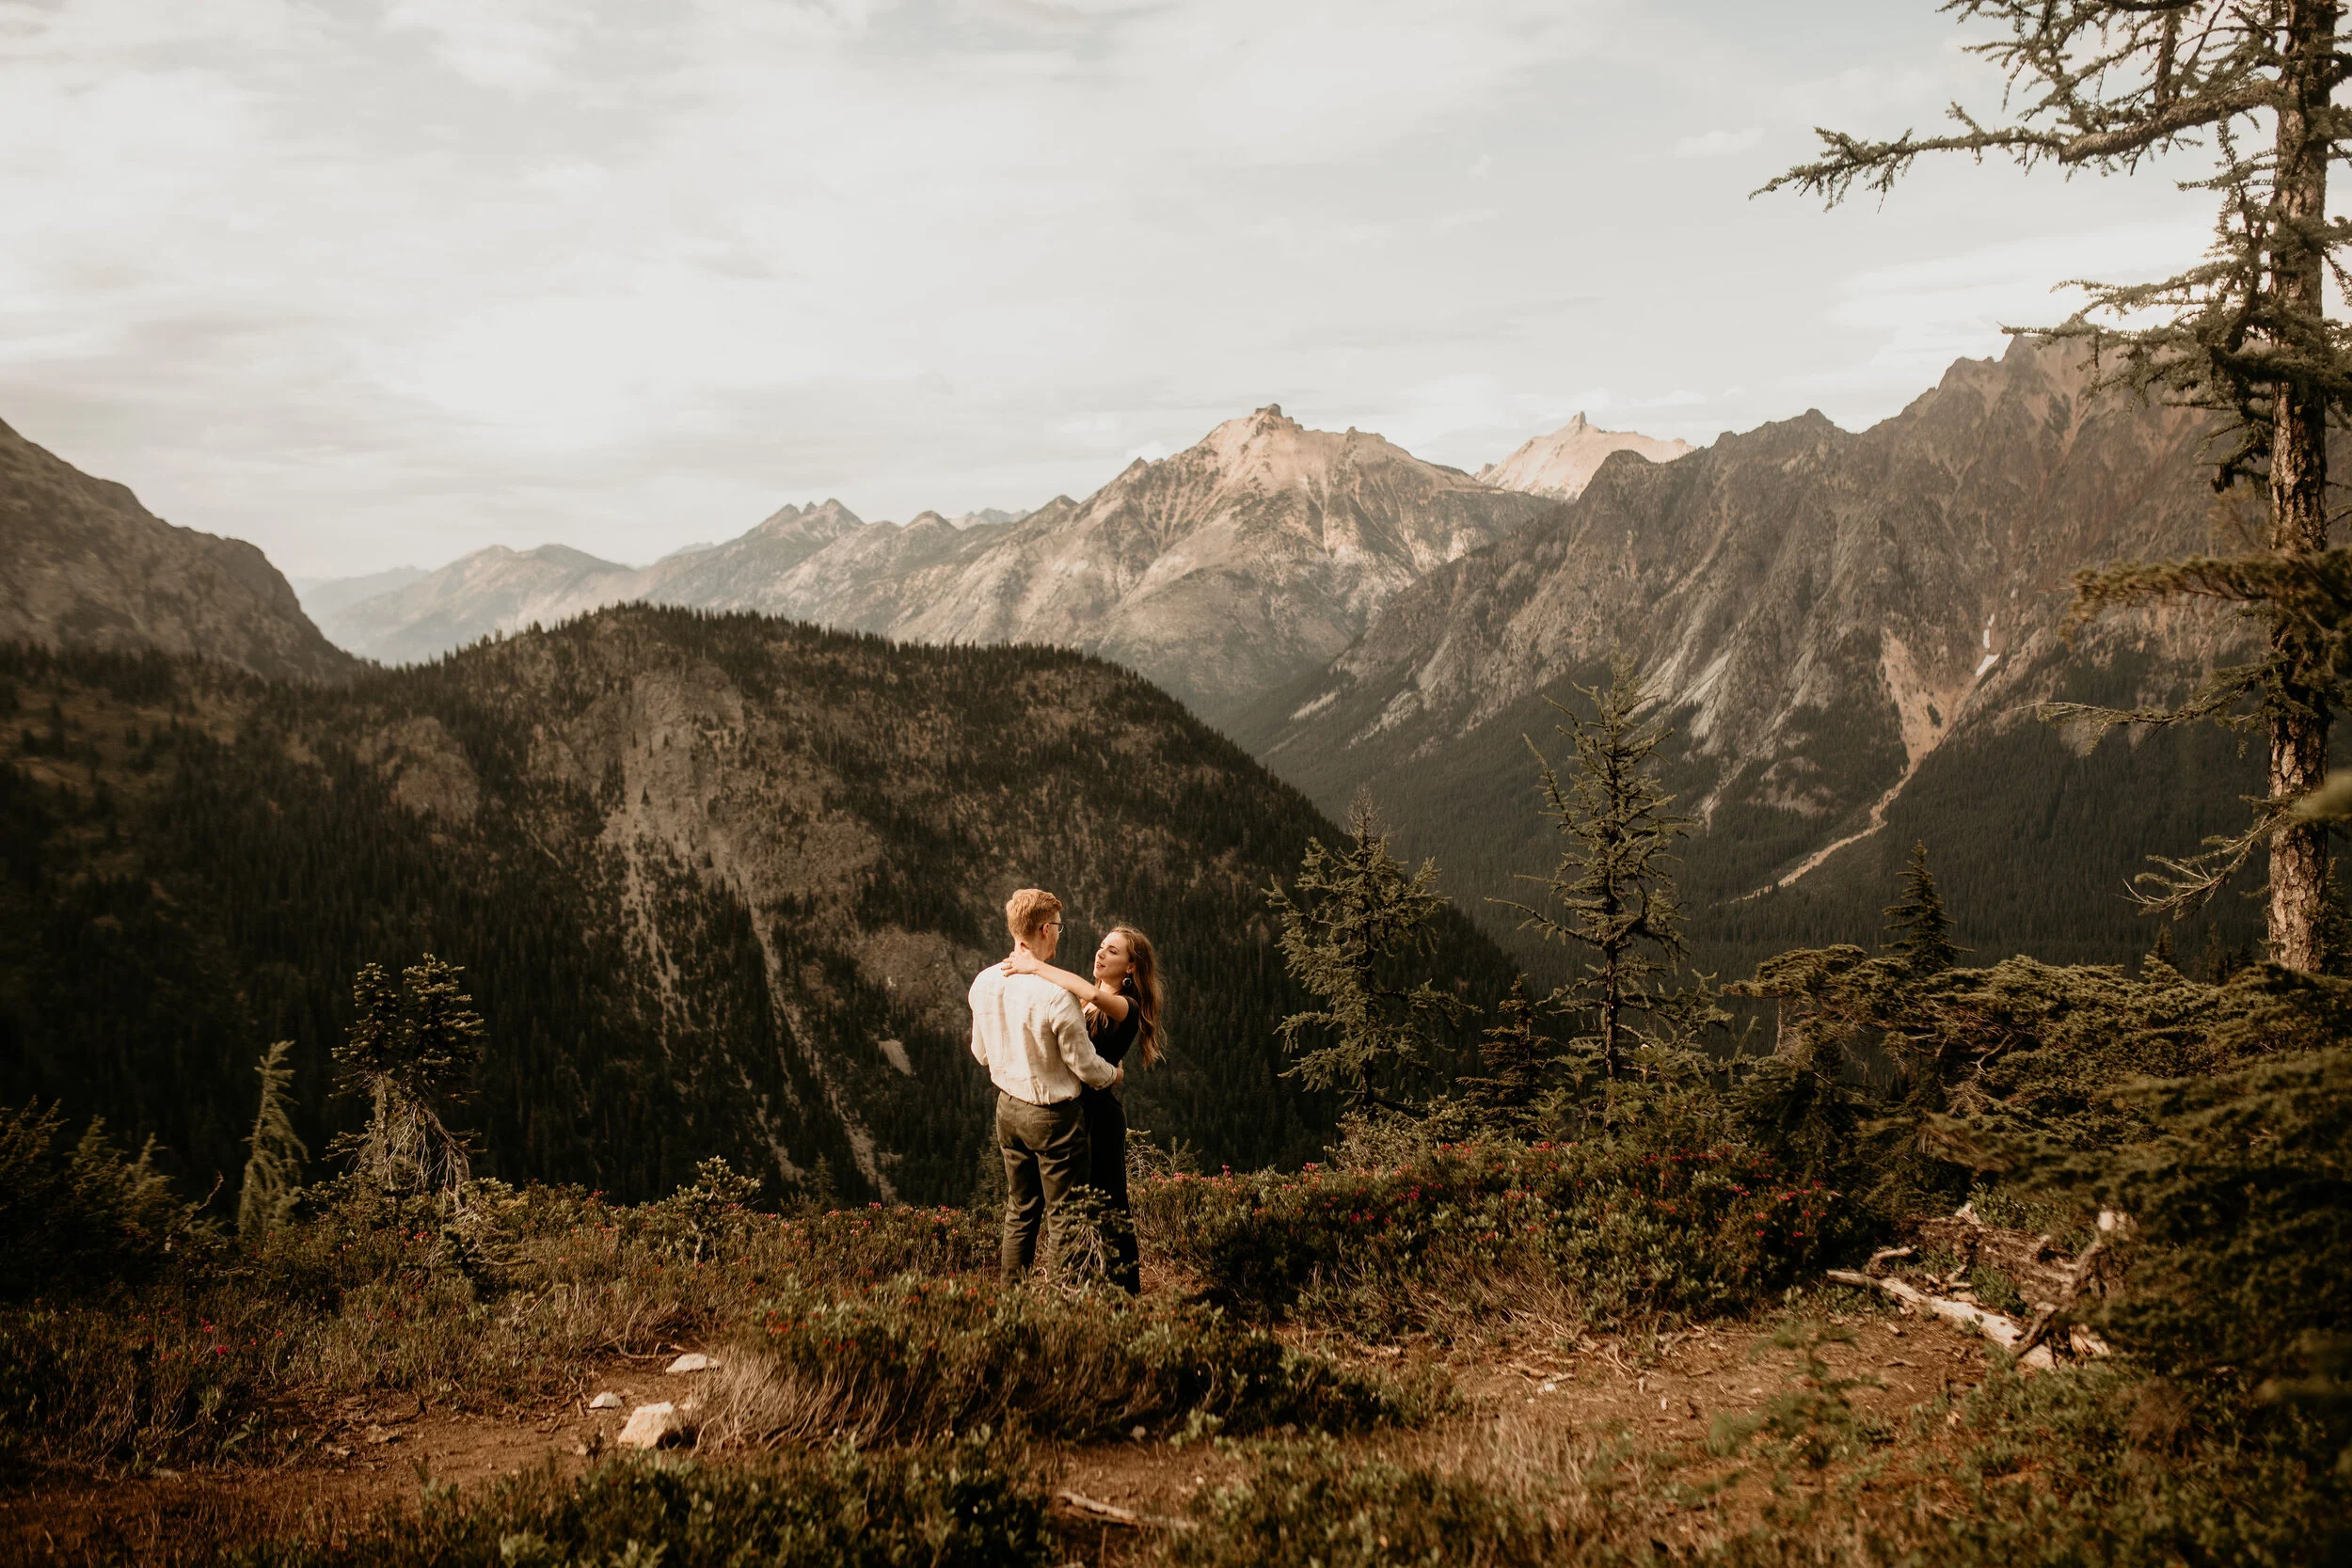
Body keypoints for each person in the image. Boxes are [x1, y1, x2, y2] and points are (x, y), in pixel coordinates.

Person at [968, 887, 1121, 1282]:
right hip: (1054, 1119)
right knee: (1065, 1217)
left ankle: (1012, 1299)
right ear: (1043, 930)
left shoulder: (984, 982)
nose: (1058, 933)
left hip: (1008, 1110)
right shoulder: (1057, 996)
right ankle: (1062, 1303)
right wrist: (1114, 1074)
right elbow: (1085, 1066)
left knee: (1020, 1209)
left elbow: (981, 1053)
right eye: (1057, 926)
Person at [1001, 924, 1162, 1293]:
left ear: (1131, 967)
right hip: (1073, 1113)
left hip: (1100, 1118)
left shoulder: (1126, 1006)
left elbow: (1087, 990)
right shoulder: (1089, 1004)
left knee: (1110, 1205)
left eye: (1113, 951)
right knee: (1081, 1206)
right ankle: (1092, 1285)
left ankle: (1124, 1291)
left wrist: (1035, 965)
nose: (1100, 953)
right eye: (1102, 946)